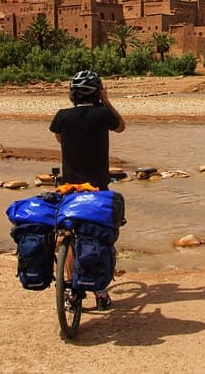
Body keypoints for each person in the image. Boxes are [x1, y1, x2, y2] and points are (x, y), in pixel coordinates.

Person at [49, 70, 126, 309]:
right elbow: (121, 126)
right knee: (100, 234)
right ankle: (101, 291)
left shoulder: (61, 117)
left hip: (69, 188)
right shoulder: (103, 114)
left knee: (68, 234)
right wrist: (107, 100)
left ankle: (71, 287)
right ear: (97, 93)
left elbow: (61, 139)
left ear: (71, 94)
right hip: (97, 189)